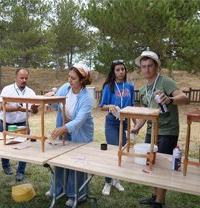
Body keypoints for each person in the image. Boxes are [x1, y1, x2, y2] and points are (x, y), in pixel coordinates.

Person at [131, 51, 189, 208]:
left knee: (162, 166)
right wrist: (136, 128)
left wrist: (170, 99)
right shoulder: (143, 90)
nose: (147, 69)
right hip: (151, 131)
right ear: (141, 69)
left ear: (156, 66)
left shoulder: (166, 82)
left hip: (167, 130)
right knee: (151, 163)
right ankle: (155, 196)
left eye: (150, 66)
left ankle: (159, 202)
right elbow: (145, 114)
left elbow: (184, 98)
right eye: (144, 66)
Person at [45, 62, 94, 207]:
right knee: (59, 159)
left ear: (82, 80)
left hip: (80, 132)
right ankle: (57, 190)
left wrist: (63, 128)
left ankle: (76, 194)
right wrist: (50, 98)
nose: (69, 81)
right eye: (69, 77)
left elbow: (79, 122)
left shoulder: (86, 98)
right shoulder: (65, 88)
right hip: (64, 127)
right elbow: (56, 105)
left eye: (73, 78)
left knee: (76, 163)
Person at [100, 60, 135, 196]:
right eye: (118, 70)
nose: (121, 72)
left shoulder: (130, 87)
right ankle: (108, 182)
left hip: (125, 123)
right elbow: (102, 106)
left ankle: (116, 179)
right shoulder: (109, 86)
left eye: (123, 69)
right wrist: (109, 106)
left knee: (123, 151)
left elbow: (131, 108)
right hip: (112, 122)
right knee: (113, 150)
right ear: (113, 72)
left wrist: (135, 126)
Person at [0, 68, 39, 181]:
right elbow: (3, 107)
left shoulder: (31, 92)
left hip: (23, 123)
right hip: (6, 123)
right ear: (15, 78)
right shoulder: (7, 89)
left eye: (26, 78)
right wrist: (17, 108)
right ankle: (6, 166)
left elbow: (34, 111)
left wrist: (35, 109)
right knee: (5, 146)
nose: (24, 80)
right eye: (21, 78)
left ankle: (20, 171)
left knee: (24, 147)